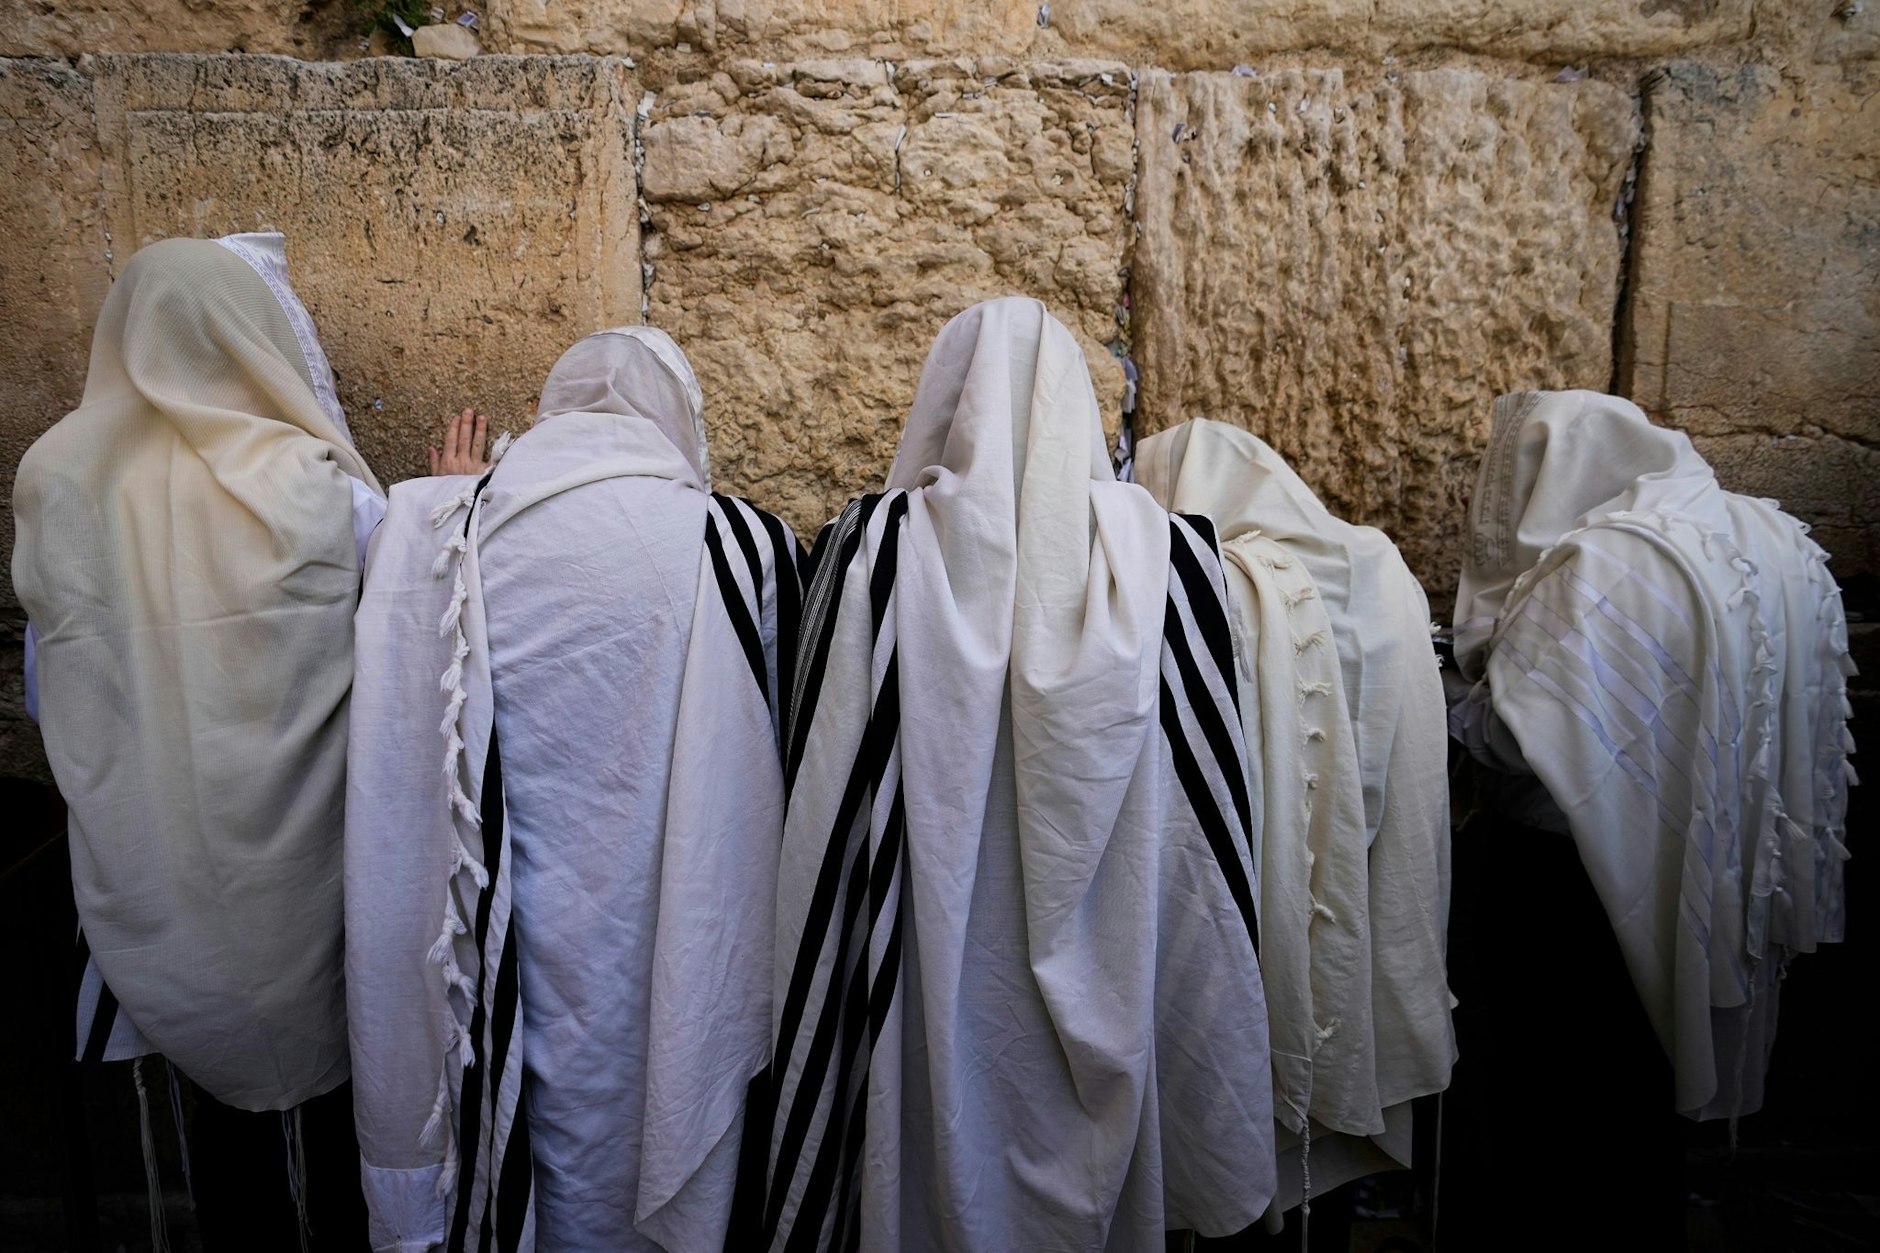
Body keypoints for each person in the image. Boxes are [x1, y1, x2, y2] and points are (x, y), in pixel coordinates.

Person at [759, 298, 1276, 1251]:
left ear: (944, 404)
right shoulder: (1175, 563)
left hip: (917, 993)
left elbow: (823, 804)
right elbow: (1207, 833)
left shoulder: (873, 552)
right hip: (1125, 962)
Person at [346, 327, 804, 1251]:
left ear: (553, 413)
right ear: (681, 423)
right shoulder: (742, 545)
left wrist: (443, 497)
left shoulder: (442, 534)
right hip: (668, 958)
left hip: (504, 958)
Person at [12, 232, 387, 1247]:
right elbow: (397, 673)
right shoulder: (311, 479)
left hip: (155, 874)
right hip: (313, 890)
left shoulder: (53, 481)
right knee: (342, 1154)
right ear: (253, 334)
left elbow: (53, 687)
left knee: (215, 1164)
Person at [1450, 389, 1857, 1121]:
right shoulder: (1766, 533)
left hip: (1572, 877)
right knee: (1644, 1085)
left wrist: (1439, 691)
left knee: (1563, 1083)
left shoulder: (1602, 564)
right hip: (1716, 857)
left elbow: (1517, 737)